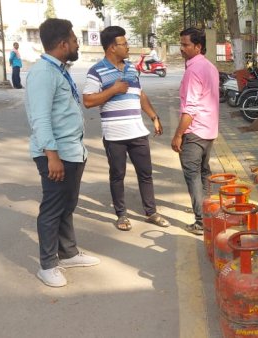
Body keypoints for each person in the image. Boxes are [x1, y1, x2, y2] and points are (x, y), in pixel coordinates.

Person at [25, 18, 100, 288]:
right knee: (52, 209)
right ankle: (47, 265)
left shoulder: (58, 70)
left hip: (71, 150)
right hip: (55, 154)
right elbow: (41, 118)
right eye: (74, 38)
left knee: (67, 205)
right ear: (62, 43)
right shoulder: (44, 73)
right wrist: (52, 156)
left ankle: (67, 253)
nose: (77, 43)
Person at [82, 26, 171, 231]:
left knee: (146, 173)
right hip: (114, 135)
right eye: (124, 44)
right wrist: (113, 89)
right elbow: (87, 101)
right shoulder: (96, 71)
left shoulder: (131, 68)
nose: (128, 47)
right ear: (112, 48)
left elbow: (139, 95)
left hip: (137, 131)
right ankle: (121, 215)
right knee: (117, 175)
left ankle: (151, 212)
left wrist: (153, 116)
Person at [172, 28, 219, 235]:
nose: (182, 49)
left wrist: (178, 134)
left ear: (198, 47)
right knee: (204, 173)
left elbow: (190, 108)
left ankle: (201, 221)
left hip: (195, 131)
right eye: (181, 44)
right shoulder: (209, 66)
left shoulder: (193, 70)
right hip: (209, 130)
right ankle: (210, 214)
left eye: (186, 45)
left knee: (193, 175)